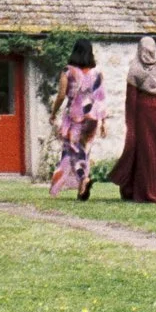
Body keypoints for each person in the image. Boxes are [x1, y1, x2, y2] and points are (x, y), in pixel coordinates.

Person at [110, 36, 156, 204]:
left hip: (145, 112)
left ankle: (149, 190)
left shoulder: (135, 69)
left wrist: (130, 122)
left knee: (147, 151)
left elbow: (131, 99)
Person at [48, 40, 105, 200]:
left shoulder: (68, 71)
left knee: (71, 150)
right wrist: (104, 121)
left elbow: (61, 95)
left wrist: (53, 113)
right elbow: (101, 97)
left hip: (75, 116)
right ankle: (81, 187)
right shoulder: (97, 73)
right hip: (92, 117)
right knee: (83, 151)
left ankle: (82, 179)